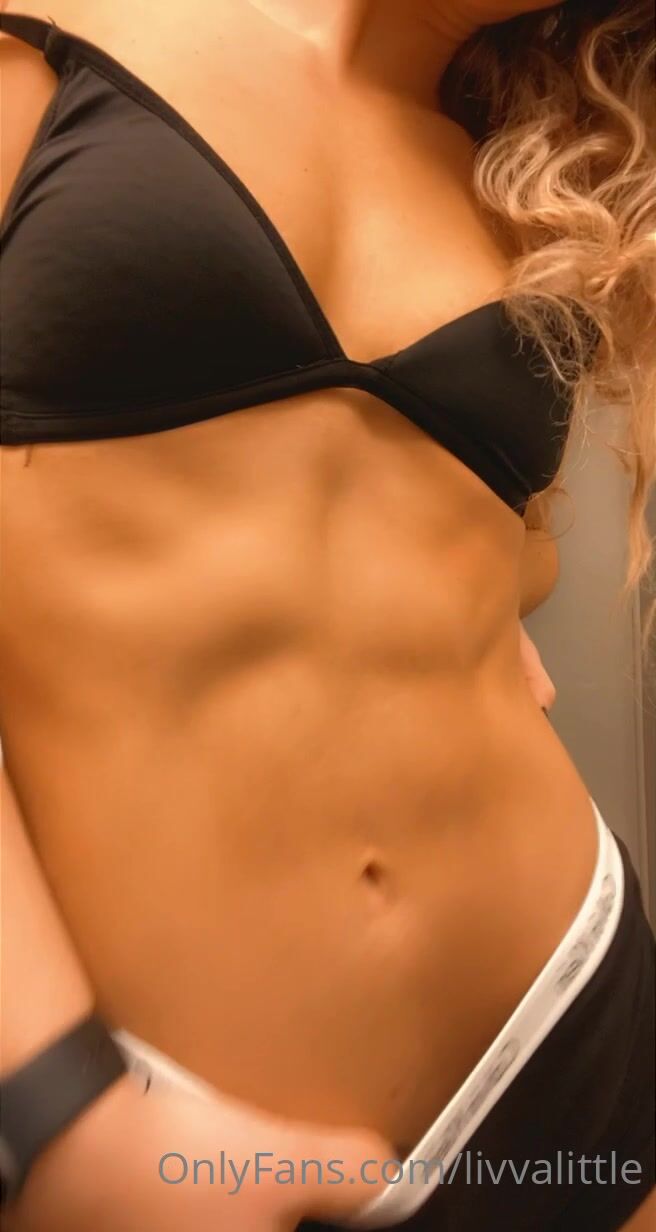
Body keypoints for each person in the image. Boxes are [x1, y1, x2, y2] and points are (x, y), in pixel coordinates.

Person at [0, 1, 654, 1229]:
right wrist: (55, 1108)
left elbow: (474, 535)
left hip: (569, 1015)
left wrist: (448, 603)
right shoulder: (44, 38)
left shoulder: (514, 165)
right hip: (137, 1098)